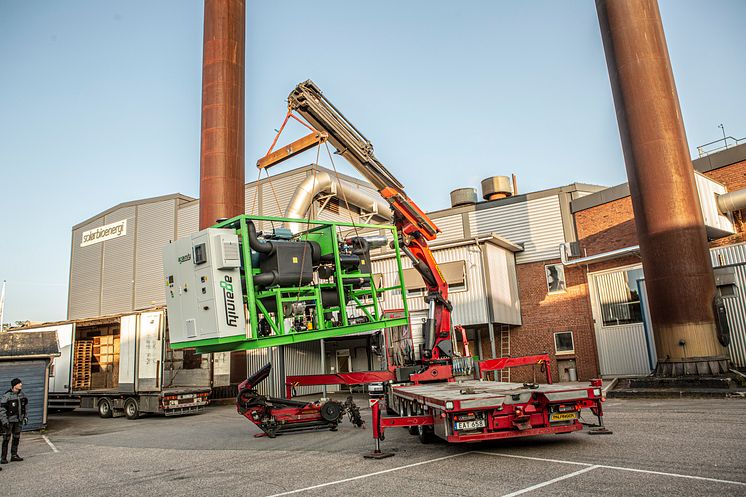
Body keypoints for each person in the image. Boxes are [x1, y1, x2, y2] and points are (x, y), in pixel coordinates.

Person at [0, 378, 28, 464]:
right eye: (19, 383)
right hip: (9, 422)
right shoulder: (7, 396)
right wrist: (4, 421)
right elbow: (2, 410)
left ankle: (14, 455)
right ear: (14, 385)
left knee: (16, 438)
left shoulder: (22, 395)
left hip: (18, 421)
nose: (21, 385)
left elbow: (25, 407)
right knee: (6, 439)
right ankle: (3, 458)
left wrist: (25, 417)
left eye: (21, 383)